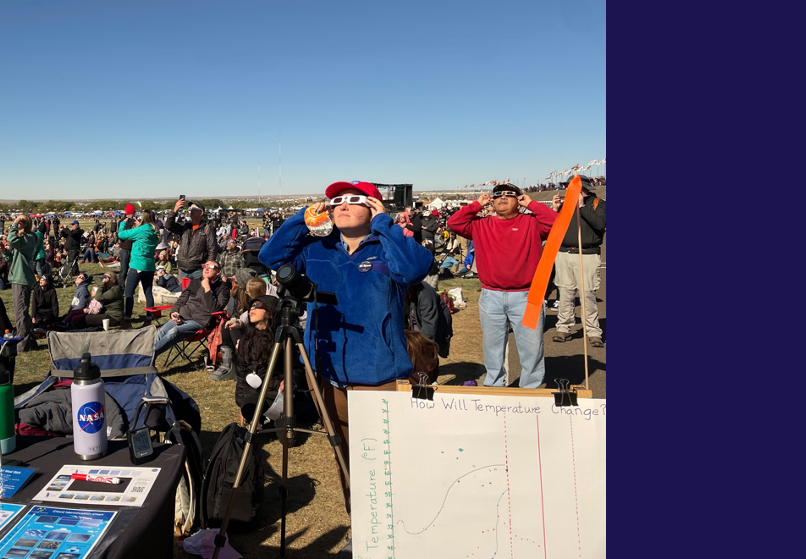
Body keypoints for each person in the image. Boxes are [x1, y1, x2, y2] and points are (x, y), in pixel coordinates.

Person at [258, 180, 432, 478]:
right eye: (336, 201)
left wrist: (384, 224)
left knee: (387, 458)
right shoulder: (316, 248)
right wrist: (303, 218)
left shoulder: (389, 248)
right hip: (326, 370)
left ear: (374, 206)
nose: (343, 205)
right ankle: (356, 512)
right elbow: (271, 257)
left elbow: (414, 269)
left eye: (355, 199)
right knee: (345, 456)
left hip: (379, 373)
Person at [447, 183, 557, 389]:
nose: (502, 197)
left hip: (528, 296)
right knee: (493, 348)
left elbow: (557, 223)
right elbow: (453, 223)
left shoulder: (531, 223)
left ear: (519, 200)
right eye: (497, 195)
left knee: (532, 348)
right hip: (491, 296)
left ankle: (530, 390)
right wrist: (476, 205)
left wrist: (532, 204)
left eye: (509, 194)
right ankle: (494, 387)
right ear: (491, 200)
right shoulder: (480, 225)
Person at [209, 295, 284, 427]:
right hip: (251, 389)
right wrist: (244, 395)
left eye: (258, 306)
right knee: (250, 406)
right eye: (251, 306)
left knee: (287, 440)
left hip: (275, 390)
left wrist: (286, 382)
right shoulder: (246, 339)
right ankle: (257, 417)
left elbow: (296, 369)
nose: (251, 309)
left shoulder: (281, 340)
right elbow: (241, 371)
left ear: (270, 313)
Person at [551, 183, 606, 346]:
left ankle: (593, 331)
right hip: (564, 253)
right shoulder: (564, 206)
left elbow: (600, 224)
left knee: (587, 294)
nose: (569, 191)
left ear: (585, 189)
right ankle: (563, 327)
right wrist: (555, 210)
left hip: (587, 254)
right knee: (565, 293)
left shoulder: (598, 203)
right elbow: (554, 228)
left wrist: (581, 206)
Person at [154, 260, 230, 355]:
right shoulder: (195, 282)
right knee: (161, 332)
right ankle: (147, 358)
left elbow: (215, 309)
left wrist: (207, 289)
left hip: (200, 321)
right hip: (182, 316)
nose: (206, 268)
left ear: (218, 272)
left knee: (174, 331)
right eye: (205, 265)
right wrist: (173, 312)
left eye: (210, 266)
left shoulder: (223, 288)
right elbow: (181, 300)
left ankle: (147, 357)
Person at [116, 211, 159, 322]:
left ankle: (127, 316)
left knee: (129, 291)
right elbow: (146, 232)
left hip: (137, 264)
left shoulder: (140, 230)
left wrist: (123, 222)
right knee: (148, 292)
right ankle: (149, 316)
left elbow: (121, 234)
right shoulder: (154, 231)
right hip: (149, 266)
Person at [7, 215, 40, 352]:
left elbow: (11, 239)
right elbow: (15, 259)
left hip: (22, 279)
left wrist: (14, 224)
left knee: (20, 312)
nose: (19, 222)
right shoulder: (24, 240)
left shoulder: (29, 238)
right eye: (18, 219)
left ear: (27, 224)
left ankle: (22, 344)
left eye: (22, 221)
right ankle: (29, 341)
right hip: (19, 277)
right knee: (23, 312)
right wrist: (4, 253)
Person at [166, 200, 216, 283]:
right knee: (185, 294)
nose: (191, 210)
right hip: (183, 269)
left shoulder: (207, 229)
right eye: (190, 208)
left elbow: (212, 249)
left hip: (198, 269)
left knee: (199, 294)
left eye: (194, 208)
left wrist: (208, 268)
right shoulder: (185, 226)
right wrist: (175, 210)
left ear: (201, 212)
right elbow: (168, 225)